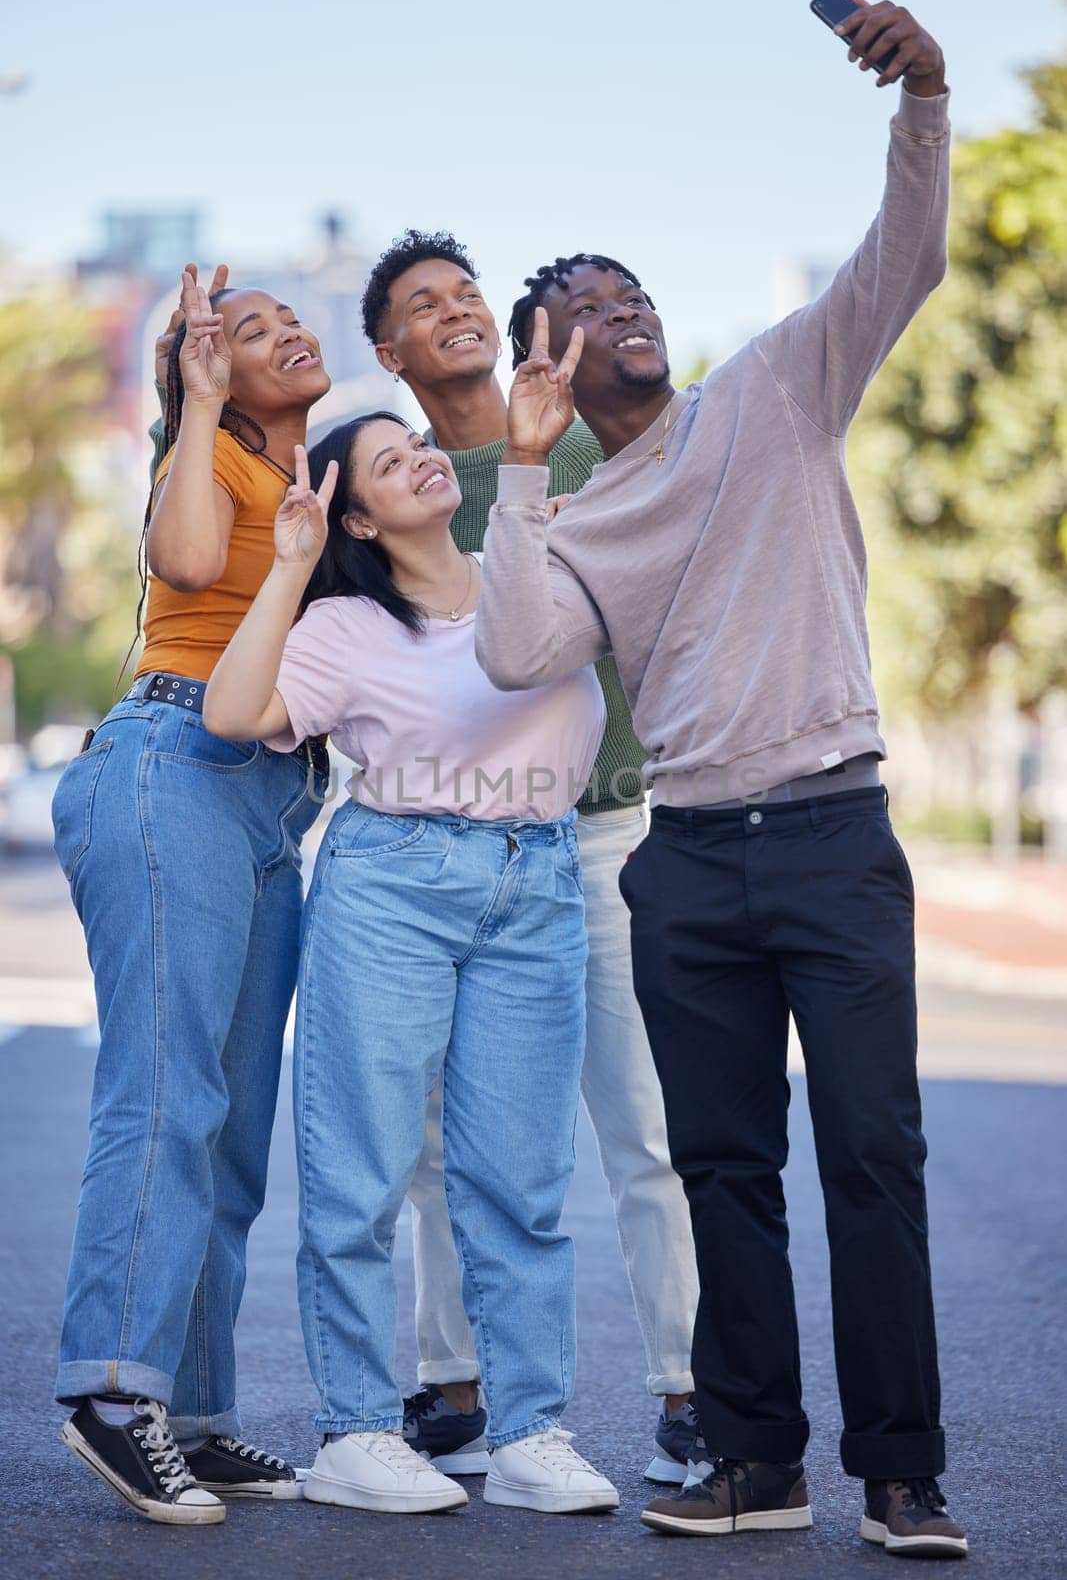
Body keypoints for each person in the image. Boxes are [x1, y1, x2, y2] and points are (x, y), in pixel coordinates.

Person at [475, 0, 968, 1560]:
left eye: (628, 286)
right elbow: (512, 650)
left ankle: (903, 1476)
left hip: (828, 826)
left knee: (871, 1159)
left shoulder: (773, 389)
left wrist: (924, 101)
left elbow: (902, 257)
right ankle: (754, 1466)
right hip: (682, 859)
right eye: (577, 301)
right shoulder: (572, 513)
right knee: (720, 1172)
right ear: (544, 355)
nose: (619, 304)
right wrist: (517, 465)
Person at [203, 418, 620, 1516]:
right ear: (357, 518)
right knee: (362, 1169)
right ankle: (352, 1429)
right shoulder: (342, 624)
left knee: (522, 1183)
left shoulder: (534, 567)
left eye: (419, 446)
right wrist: (291, 565)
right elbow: (234, 712)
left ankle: (530, 1430)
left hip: (538, 878)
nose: (422, 461)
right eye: (388, 463)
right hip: (394, 880)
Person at [359, 231, 701, 1485]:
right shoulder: (377, 477)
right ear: (386, 349)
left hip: (604, 832)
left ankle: (687, 1394)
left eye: (464, 293)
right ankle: (451, 1380)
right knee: (448, 1141)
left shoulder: (573, 443)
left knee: (645, 1128)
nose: (448, 311)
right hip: (447, 850)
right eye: (420, 304)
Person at [51, 270, 330, 1524]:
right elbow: (185, 562)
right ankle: (114, 1390)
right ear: (206, 363)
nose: (287, 333)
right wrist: (198, 404)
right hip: (171, 765)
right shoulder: (212, 459)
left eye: (290, 320)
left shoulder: (310, 484)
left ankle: (196, 1412)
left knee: (231, 1123)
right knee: (168, 1091)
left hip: (271, 799)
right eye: (252, 328)